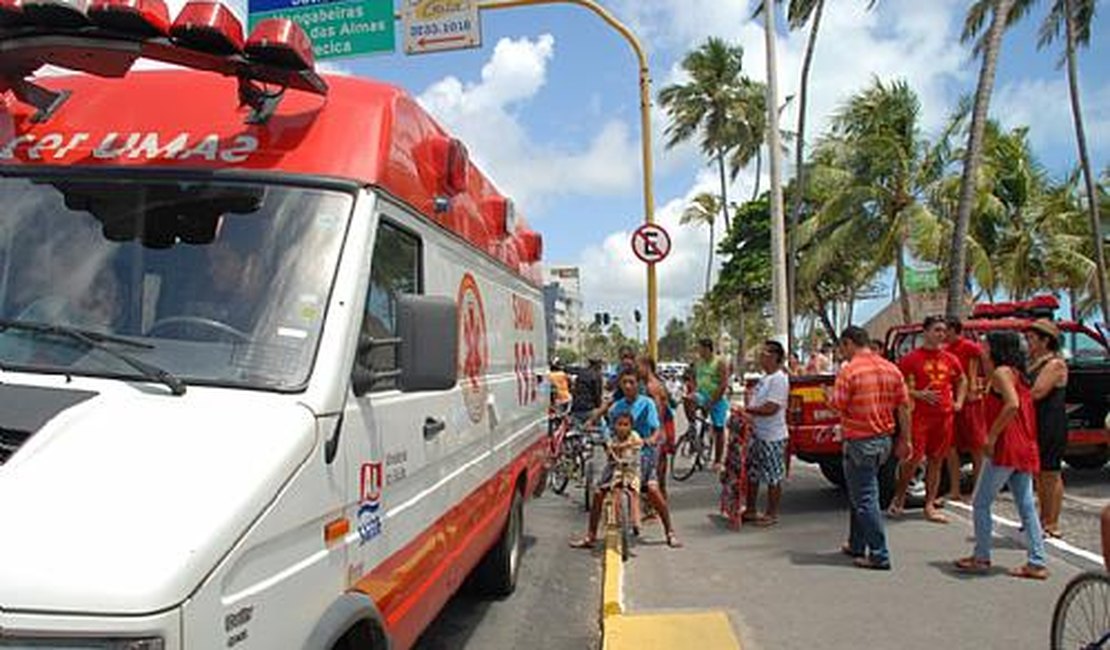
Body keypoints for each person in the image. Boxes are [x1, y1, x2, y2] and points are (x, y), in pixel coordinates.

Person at [954, 331, 1048, 580]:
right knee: (1026, 505)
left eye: (985, 346)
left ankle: (982, 555)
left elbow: (1012, 404)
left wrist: (992, 436)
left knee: (981, 502)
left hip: (1007, 445)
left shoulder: (1001, 373)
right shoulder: (1016, 373)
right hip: (1024, 444)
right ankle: (1037, 560)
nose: (981, 350)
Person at [829, 326, 912, 570]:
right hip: (883, 439)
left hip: (859, 440)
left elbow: (838, 405)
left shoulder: (849, 371)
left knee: (865, 498)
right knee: (859, 494)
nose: (841, 352)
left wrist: (828, 396)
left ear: (848, 343)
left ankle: (879, 553)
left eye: (841, 347)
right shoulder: (891, 368)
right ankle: (857, 543)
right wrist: (905, 439)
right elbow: (904, 407)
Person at [571, 368, 681, 548]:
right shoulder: (616, 407)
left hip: (642, 456)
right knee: (599, 492)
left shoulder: (647, 404)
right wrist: (608, 442)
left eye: (632, 382)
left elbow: (656, 430)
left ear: (639, 384)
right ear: (620, 384)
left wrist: (651, 440)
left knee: (653, 490)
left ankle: (670, 531)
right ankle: (590, 535)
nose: (628, 386)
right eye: (625, 382)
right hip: (618, 457)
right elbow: (608, 429)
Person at [889, 316, 967, 523]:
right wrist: (917, 394)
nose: (940, 334)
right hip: (920, 418)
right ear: (925, 332)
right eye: (936, 330)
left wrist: (959, 402)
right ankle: (899, 498)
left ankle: (929, 503)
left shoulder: (950, 359)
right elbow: (898, 385)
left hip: (944, 417)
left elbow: (962, 379)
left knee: (936, 460)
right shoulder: (911, 358)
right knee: (912, 460)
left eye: (943, 331)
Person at [1026, 319, 1068, 539]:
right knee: (1039, 473)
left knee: (1050, 472)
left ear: (1045, 340)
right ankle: (1042, 517)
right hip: (1036, 422)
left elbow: (1038, 392)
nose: (1028, 343)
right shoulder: (1033, 362)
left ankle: (1052, 521)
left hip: (1051, 422)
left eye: (1032, 338)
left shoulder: (1054, 364)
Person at [742, 340, 790, 526]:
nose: (760, 357)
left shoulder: (779, 379)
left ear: (773, 356)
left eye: (764, 354)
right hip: (758, 434)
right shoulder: (765, 378)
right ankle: (751, 509)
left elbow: (771, 408)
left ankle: (771, 513)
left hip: (772, 435)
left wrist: (749, 411)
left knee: (773, 476)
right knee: (753, 473)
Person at [944, 318, 988, 502]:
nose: (943, 335)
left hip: (971, 403)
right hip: (952, 402)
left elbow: (987, 363)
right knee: (951, 447)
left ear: (954, 330)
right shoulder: (945, 351)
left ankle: (978, 490)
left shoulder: (970, 347)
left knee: (976, 447)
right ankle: (955, 490)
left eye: (945, 331)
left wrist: (983, 385)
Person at [687, 338, 730, 472]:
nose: (698, 352)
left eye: (700, 349)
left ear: (707, 349)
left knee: (719, 429)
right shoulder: (698, 363)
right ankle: (692, 425)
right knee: (687, 399)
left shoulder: (719, 363)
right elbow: (693, 379)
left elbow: (723, 384)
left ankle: (717, 461)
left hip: (717, 397)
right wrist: (693, 390)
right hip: (702, 395)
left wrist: (712, 402)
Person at [638, 355, 676, 501]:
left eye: (638, 366)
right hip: (660, 425)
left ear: (647, 366)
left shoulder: (652, 385)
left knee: (657, 462)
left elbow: (658, 409)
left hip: (661, 425)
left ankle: (659, 496)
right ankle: (659, 494)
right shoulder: (649, 383)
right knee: (658, 462)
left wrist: (658, 431)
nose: (636, 370)